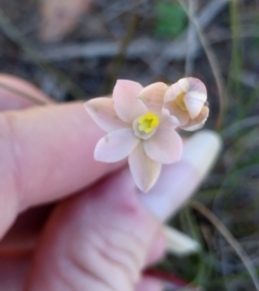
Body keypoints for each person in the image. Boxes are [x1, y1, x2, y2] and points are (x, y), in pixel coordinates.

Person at [0, 74, 220, 291]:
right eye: (146, 121)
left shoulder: (165, 132)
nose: (145, 125)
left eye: (149, 123)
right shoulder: (130, 110)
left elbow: (162, 156)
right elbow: (99, 107)